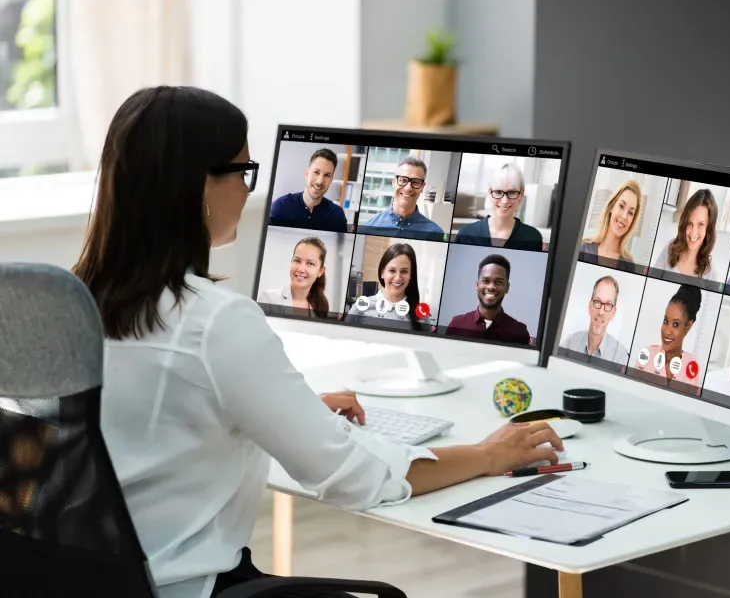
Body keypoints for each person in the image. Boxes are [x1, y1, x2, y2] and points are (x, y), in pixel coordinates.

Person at [72, 86, 564, 598]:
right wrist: (487, 453)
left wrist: (290, 407)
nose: (247, 190)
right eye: (242, 172)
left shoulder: (69, 301)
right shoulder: (216, 321)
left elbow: (158, 416)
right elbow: (355, 478)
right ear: (197, 186)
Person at [455, 163, 544, 251]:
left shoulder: (533, 237)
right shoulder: (465, 234)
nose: (504, 201)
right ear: (489, 193)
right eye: (498, 192)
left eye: (512, 192)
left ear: (521, 194)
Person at [445, 254, 531, 345]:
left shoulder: (519, 332)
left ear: (507, 287)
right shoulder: (457, 324)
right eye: (486, 281)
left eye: (498, 282)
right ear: (477, 285)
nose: (491, 287)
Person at [345, 242, 429, 330]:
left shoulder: (421, 314)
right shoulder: (360, 307)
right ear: (382, 273)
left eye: (404, 271)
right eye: (392, 270)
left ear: (411, 275)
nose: (397, 278)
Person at [359, 156, 444, 240]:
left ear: (422, 187)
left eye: (415, 182)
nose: (408, 188)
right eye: (403, 180)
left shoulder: (436, 234)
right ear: (394, 182)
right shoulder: (369, 227)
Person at [635, 285, 702, 386]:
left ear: (688, 326)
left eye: (676, 324)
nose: (666, 331)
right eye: (666, 321)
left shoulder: (691, 365)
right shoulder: (647, 355)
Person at [269, 148, 349, 232]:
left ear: (331, 179)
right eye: (316, 172)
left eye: (327, 175)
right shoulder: (281, 207)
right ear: (307, 173)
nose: (320, 181)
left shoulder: (337, 216)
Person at [560, 275, 629, 365]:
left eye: (608, 305)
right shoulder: (570, 344)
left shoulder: (620, 357)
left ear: (613, 313)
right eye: (597, 302)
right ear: (590, 306)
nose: (601, 312)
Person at [653, 189, 719, 280]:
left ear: (709, 228)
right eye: (689, 223)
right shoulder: (670, 249)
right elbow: (651, 283)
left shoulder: (710, 272)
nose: (693, 232)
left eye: (700, 224)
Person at [258, 237, 329, 318]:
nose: (301, 269)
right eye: (297, 260)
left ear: (320, 271)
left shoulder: (320, 307)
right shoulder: (269, 299)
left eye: (310, 263)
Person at [580, 179, 642, 263]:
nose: (624, 216)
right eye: (621, 206)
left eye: (630, 213)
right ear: (612, 206)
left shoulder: (628, 263)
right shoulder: (583, 248)